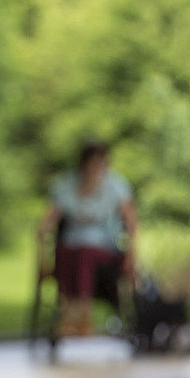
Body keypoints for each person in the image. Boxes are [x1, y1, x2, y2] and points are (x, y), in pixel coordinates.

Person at [38, 141, 138, 336]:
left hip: (104, 249)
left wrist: (131, 255)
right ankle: (67, 313)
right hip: (70, 249)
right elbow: (45, 224)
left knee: (84, 253)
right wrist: (42, 256)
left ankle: (83, 314)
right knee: (66, 251)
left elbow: (132, 222)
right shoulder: (67, 186)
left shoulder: (116, 187)